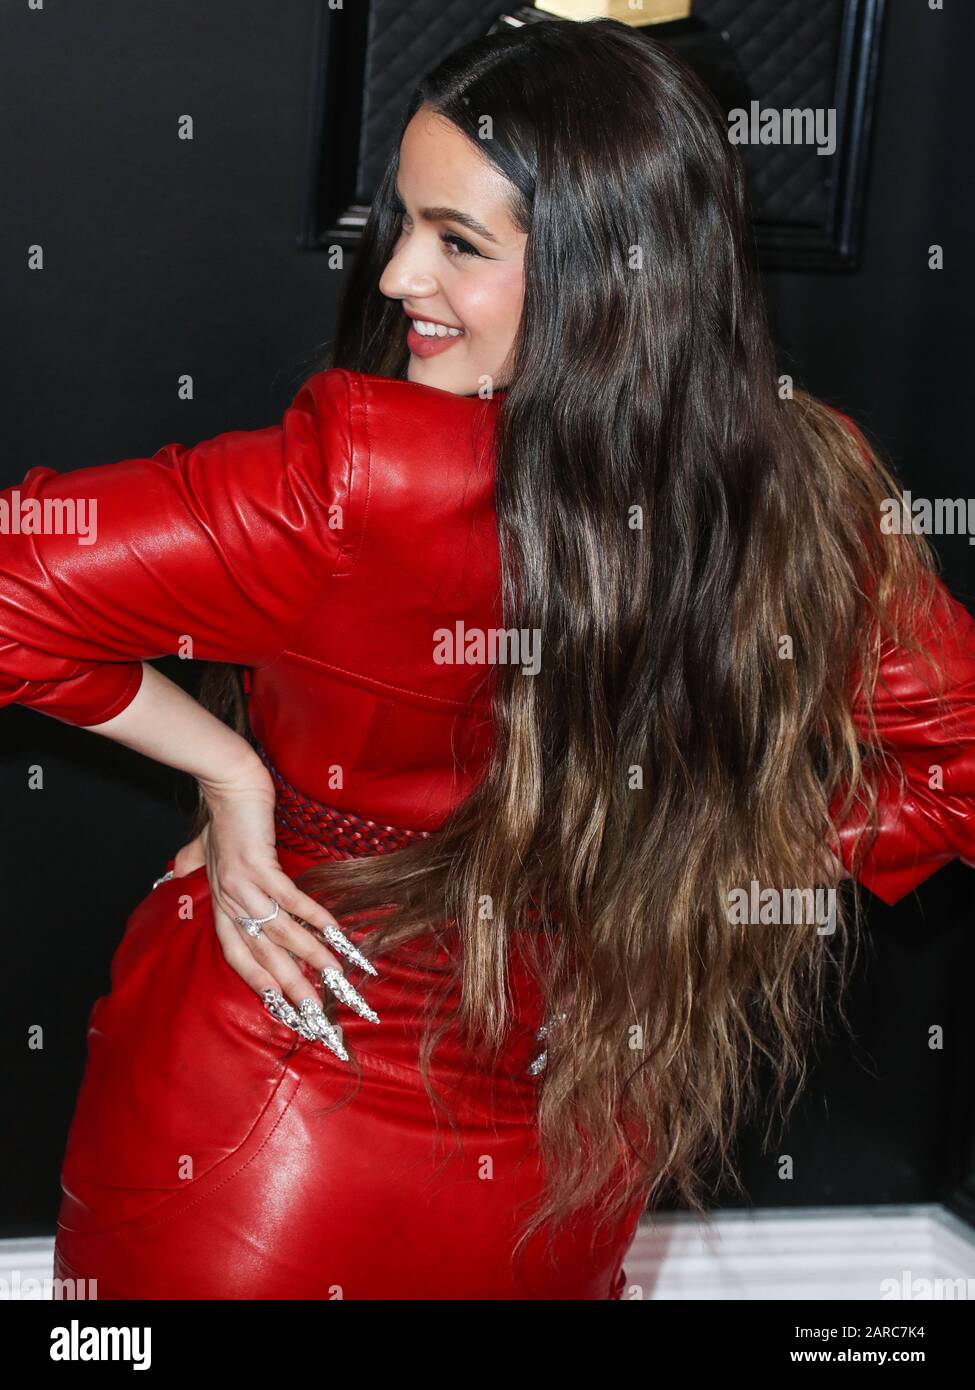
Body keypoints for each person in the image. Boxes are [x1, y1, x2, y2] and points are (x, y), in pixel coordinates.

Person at [2, 18, 973, 1301]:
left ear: (606, 272)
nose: (399, 272)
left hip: (297, 1154)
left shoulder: (361, 477)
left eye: (459, 242)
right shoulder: (801, 483)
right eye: (403, 222)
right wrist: (689, 866)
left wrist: (233, 779)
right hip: (538, 1166)